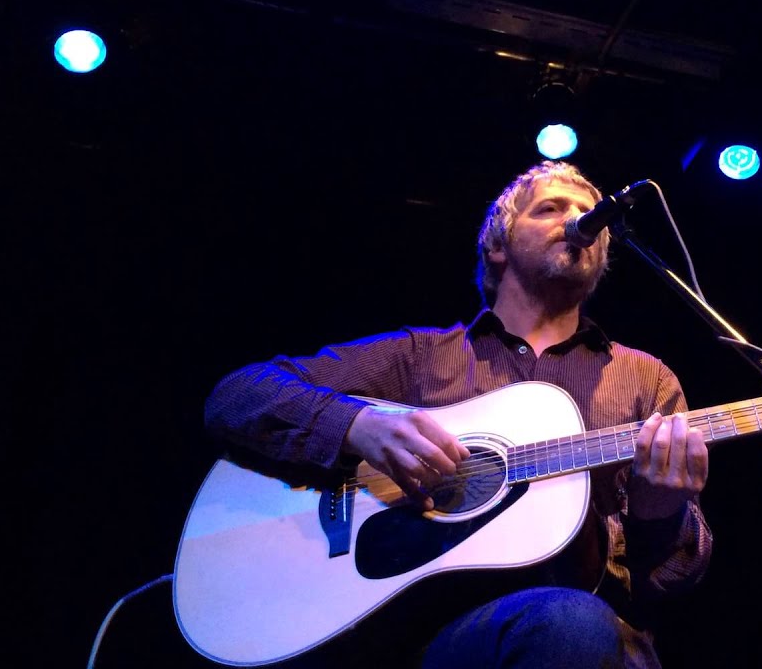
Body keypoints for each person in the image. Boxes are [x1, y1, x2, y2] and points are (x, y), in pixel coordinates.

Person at [204, 161, 712, 668]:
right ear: (498, 246)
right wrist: (359, 426)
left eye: (587, 212)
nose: (579, 218)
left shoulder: (646, 379)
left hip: (581, 636)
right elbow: (235, 395)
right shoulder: (420, 355)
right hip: (414, 634)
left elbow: (670, 580)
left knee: (572, 622)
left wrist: (659, 511)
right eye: (551, 208)